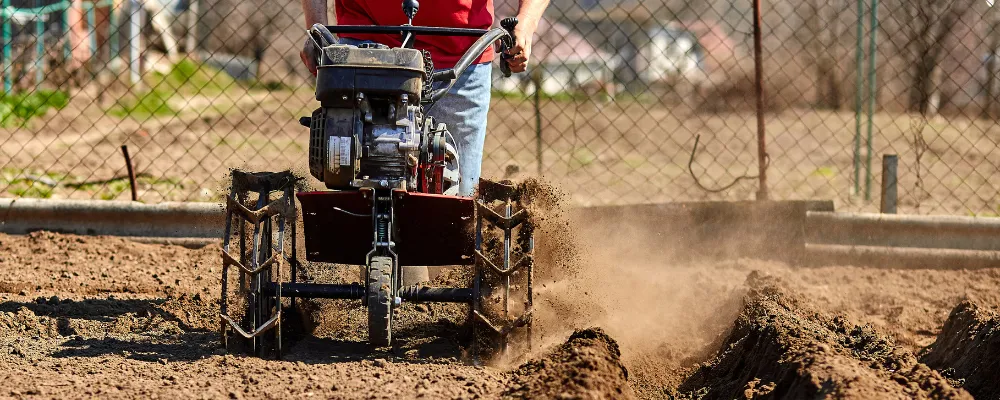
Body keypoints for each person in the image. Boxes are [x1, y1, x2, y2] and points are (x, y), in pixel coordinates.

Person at [299, 0, 549, 197]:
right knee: (352, 186)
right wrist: (316, 27)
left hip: (461, 55)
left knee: (457, 204)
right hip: (367, 45)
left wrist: (524, 24)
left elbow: (524, 22)